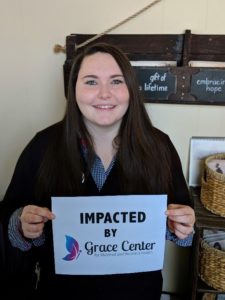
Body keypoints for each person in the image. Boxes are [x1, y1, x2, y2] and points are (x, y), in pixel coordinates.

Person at [1, 42, 195, 299]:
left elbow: (182, 217)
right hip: (61, 293)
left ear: (130, 90)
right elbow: (9, 218)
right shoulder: (43, 147)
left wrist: (181, 226)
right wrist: (21, 224)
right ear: (73, 90)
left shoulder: (160, 147)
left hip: (139, 293)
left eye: (116, 81)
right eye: (91, 82)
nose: (105, 94)